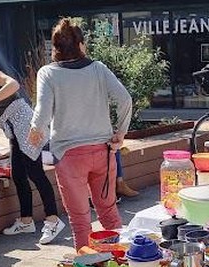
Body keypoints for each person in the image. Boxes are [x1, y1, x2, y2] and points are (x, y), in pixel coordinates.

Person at [28, 19, 132, 250]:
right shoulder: (98, 68)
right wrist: (120, 133)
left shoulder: (48, 73)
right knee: (110, 215)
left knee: (80, 221)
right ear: (81, 45)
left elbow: (42, 114)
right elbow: (125, 99)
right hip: (103, 152)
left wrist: (35, 133)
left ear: (55, 48)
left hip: (68, 156)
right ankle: (118, 266)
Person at [0, 46, 65, 245]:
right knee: (18, 174)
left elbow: (14, 84)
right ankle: (26, 221)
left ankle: (52, 219)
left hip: (24, 126)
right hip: (14, 128)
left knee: (35, 173)